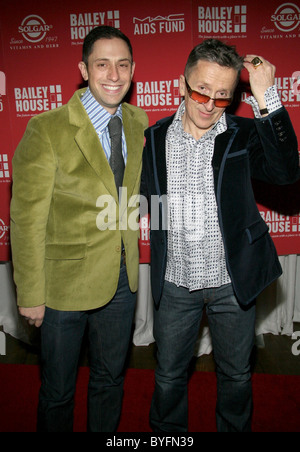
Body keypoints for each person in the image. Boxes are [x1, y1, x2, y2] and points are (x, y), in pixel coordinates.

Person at [141, 39, 300, 432]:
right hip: (175, 282)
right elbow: (146, 194)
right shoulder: (155, 137)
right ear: (181, 84)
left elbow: (285, 173)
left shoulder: (243, 135)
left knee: (236, 378)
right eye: (200, 91)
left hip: (232, 283)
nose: (209, 104)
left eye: (223, 97)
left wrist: (266, 94)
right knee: (168, 378)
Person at [10, 26, 148, 432]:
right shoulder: (46, 128)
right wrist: (31, 294)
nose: (113, 74)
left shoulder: (138, 122)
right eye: (101, 64)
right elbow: (26, 219)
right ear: (83, 70)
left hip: (122, 281)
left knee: (110, 381)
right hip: (61, 288)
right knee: (58, 391)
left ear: (133, 70)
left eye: (122, 65)